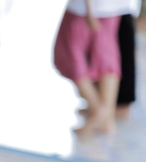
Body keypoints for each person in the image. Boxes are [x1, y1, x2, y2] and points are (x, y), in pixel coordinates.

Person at [53, 0, 126, 135]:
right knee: (106, 55)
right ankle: (107, 117)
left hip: (86, 8)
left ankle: (99, 109)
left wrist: (89, 10)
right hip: (113, 6)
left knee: (70, 54)